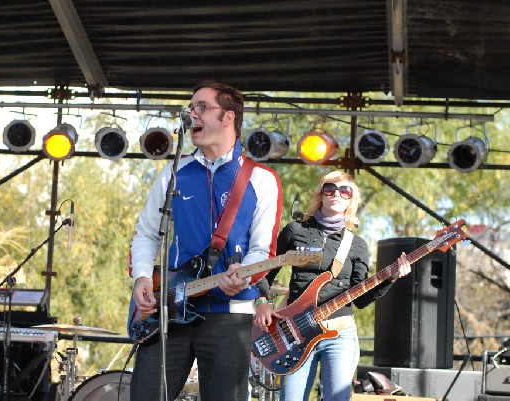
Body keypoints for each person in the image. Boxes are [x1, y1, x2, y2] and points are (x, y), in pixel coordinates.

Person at [129, 80, 282, 401]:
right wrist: (142, 276)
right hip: (169, 309)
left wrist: (244, 277)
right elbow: (146, 233)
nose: (191, 114)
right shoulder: (174, 173)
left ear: (228, 117)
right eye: (190, 108)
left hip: (230, 313)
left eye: (201, 107)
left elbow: (263, 249)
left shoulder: (261, 179)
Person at [254, 170, 412, 401]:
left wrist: (391, 278)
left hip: (339, 332)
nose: (336, 194)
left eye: (344, 190)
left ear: (351, 200)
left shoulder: (357, 245)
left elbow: (361, 299)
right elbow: (265, 273)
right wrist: (262, 303)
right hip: (296, 332)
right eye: (330, 188)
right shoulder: (294, 231)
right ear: (320, 194)